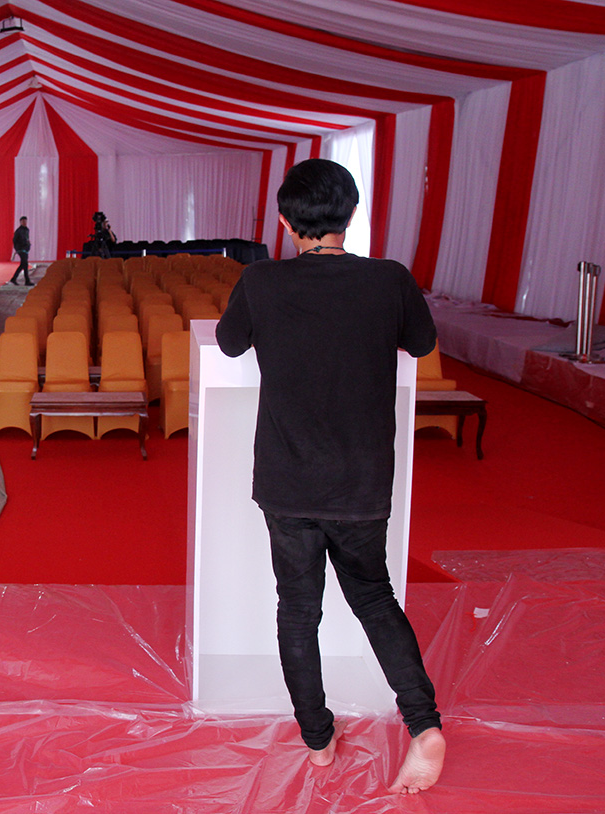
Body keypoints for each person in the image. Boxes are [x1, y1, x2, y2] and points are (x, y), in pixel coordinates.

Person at [214, 158, 446, 794]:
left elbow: (230, 344)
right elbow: (422, 344)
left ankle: (318, 740)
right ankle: (424, 726)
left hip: (289, 480)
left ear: (287, 222)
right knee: (374, 597)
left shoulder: (261, 280)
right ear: (351, 214)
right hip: (362, 478)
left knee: (298, 609)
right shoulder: (389, 280)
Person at [10, 216, 31, 285]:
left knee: (23, 264)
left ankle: (14, 278)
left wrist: (28, 245)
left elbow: (27, 239)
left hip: (26, 249)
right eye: (23, 221)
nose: (24, 222)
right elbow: (14, 240)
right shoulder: (18, 231)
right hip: (21, 249)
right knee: (25, 264)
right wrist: (17, 249)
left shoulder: (27, 230)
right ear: (20, 222)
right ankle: (27, 281)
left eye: (25, 221)